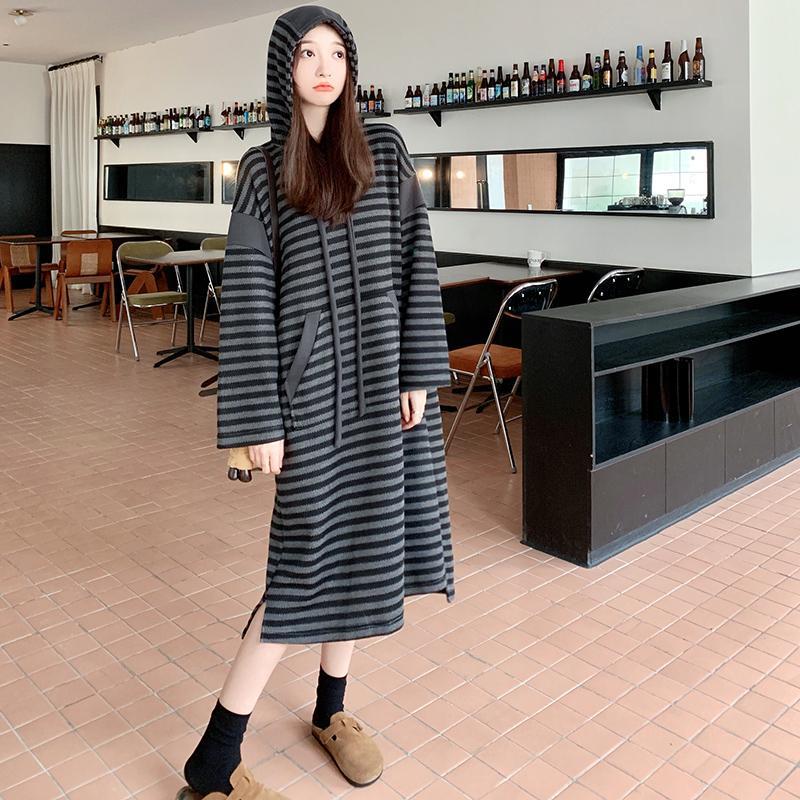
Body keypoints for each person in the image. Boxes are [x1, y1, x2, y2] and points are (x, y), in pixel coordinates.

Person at [179, 5, 455, 798]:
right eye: (308, 53)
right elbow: (250, 298)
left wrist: (416, 373)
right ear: (284, 68)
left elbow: (417, 261)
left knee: (366, 550)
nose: (325, 67)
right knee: (304, 568)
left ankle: (332, 711)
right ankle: (213, 762)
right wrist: (260, 420)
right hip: (310, 404)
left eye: (337, 52)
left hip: (385, 396)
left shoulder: (386, 151)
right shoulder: (263, 171)